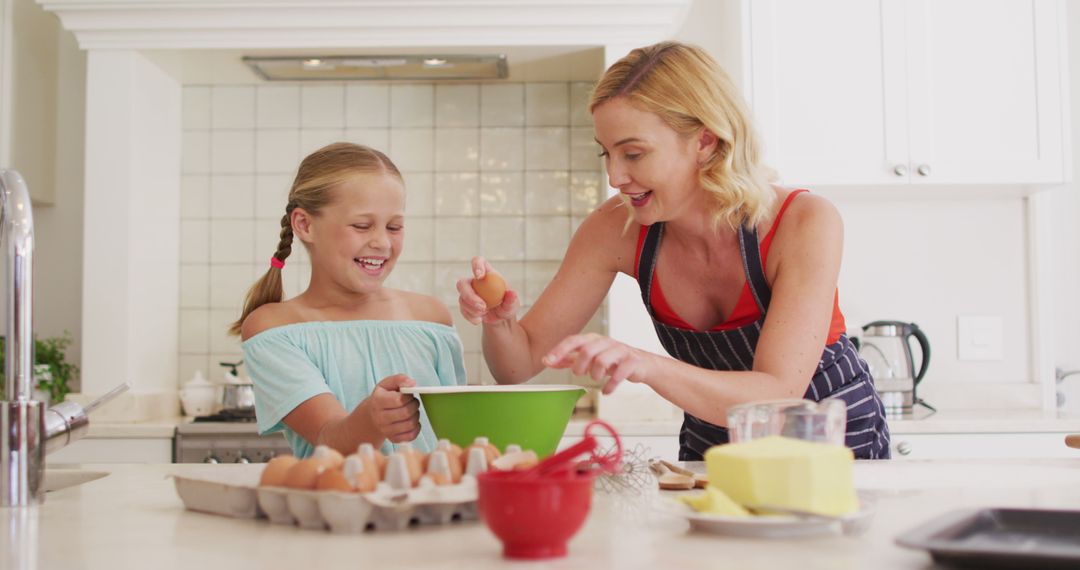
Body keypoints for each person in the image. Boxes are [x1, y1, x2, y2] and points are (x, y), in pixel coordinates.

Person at [456, 41, 890, 460]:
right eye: (607, 154)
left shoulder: (803, 222)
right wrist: (501, 324)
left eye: (633, 153)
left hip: (829, 447)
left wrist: (645, 364)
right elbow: (517, 366)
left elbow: (776, 394)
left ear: (705, 141)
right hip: (714, 450)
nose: (614, 176)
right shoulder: (614, 229)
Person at [232, 142, 466, 458]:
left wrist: (499, 325)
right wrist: (372, 418)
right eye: (361, 225)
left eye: (394, 226)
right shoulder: (274, 327)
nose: (382, 242)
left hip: (435, 505)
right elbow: (330, 437)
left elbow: (457, 437)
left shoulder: (430, 318)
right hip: (338, 506)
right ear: (305, 225)